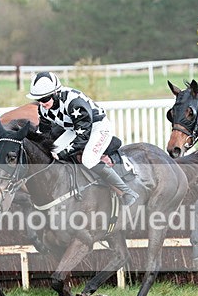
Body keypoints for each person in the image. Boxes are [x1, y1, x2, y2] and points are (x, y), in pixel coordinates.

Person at [27, 71, 139, 206]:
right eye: (38, 99)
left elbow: (83, 135)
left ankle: (127, 192)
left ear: (56, 93)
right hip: (75, 129)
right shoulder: (43, 109)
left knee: (88, 159)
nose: (42, 103)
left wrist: (62, 153)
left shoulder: (74, 103)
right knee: (52, 151)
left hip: (97, 127)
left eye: (45, 99)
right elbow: (43, 134)